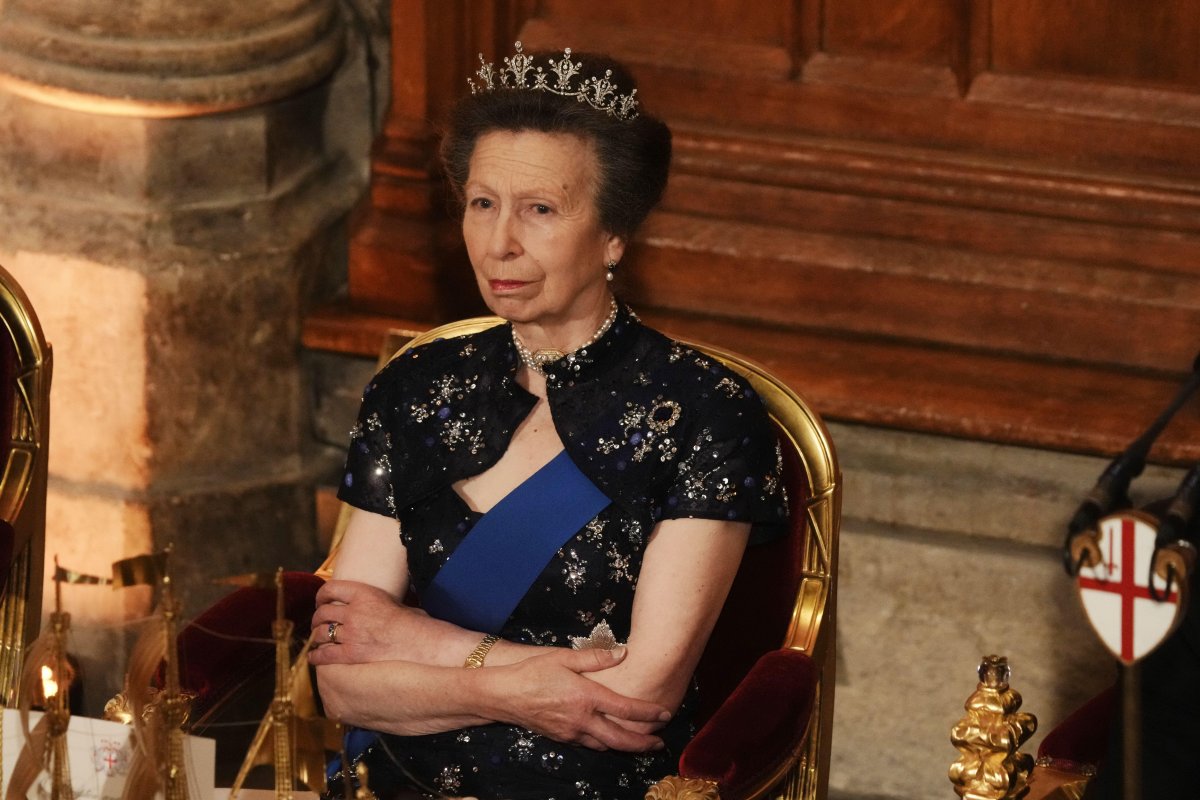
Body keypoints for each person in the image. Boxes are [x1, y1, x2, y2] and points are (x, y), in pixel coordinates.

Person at [309, 42, 789, 800]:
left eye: (540, 210)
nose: (500, 243)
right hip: (395, 778)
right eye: (481, 203)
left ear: (614, 235)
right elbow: (341, 684)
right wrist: (514, 688)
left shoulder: (704, 411)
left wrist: (413, 642)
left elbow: (639, 695)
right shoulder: (415, 385)